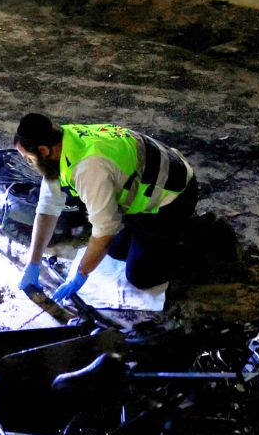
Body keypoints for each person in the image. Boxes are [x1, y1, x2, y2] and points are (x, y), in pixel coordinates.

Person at [12, 113, 199, 301]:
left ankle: (201, 236)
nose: (29, 163)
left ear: (43, 151)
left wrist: (80, 275)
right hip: (147, 187)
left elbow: (105, 231)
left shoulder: (88, 168)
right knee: (115, 251)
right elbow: (47, 209)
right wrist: (33, 262)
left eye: (29, 158)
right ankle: (157, 235)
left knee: (140, 275)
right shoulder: (64, 140)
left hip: (174, 197)